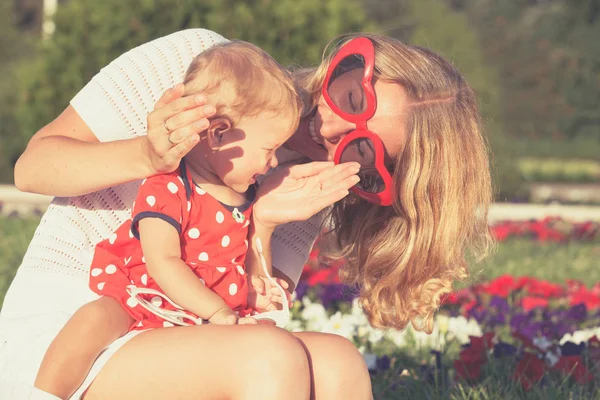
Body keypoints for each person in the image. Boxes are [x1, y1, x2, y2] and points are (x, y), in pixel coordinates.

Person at [1, 27, 492, 400]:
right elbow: (33, 168)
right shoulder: (196, 68)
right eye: (353, 98)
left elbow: (244, 315)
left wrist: (263, 224)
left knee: (339, 363)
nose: (333, 127)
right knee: (269, 357)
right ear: (346, 64)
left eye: (362, 148)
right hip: (77, 328)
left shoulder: (306, 190)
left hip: (187, 335)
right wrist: (149, 156)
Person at [33, 40, 321, 400]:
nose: (274, 161)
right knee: (93, 320)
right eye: (268, 150)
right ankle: (40, 395)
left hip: (197, 322)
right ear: (217, 134)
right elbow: (162, 261)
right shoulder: (170, 186)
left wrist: (254, 283)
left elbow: (242, 267)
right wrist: (216, 311)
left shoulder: (247, 198)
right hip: (143, 300)